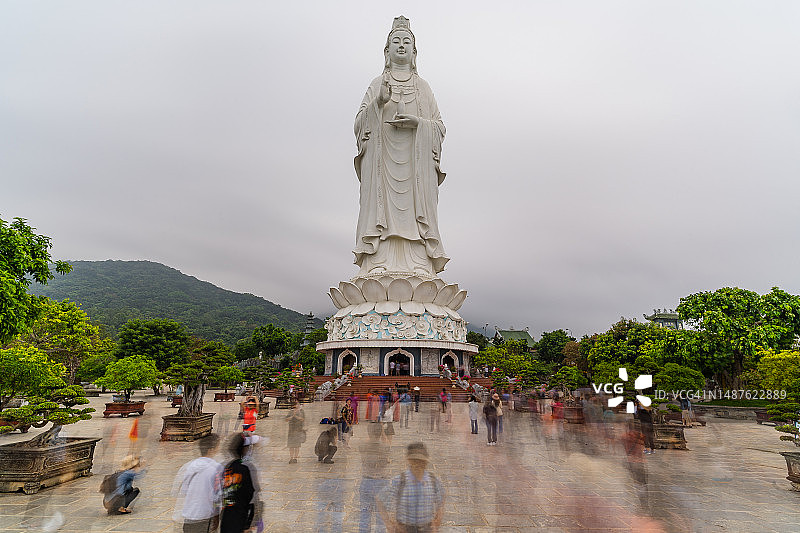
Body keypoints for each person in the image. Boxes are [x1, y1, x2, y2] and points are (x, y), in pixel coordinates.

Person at [353, 16, 449, 277]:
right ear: (387, 51)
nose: (402, 46)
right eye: (396, 41)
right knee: (380, 210)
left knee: (416, 214)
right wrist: (378, 104)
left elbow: (439, 127)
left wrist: (419, 123)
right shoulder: (377, 85)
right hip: (382, 167)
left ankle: (419, 261)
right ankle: (378, 261)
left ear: (415, 52)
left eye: (407, 42)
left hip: (415, 171)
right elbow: (359, 124)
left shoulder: (423, 87)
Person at [377, 443, 444, 533]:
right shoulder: (400, 480)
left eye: (421, 461)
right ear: (409, 460)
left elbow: (441, 499)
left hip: (426, 528)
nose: (418, 464)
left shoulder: (433, 481)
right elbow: (380, 499)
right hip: (404, 529)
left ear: (426, 461)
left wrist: (438, 520)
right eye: (414, 461)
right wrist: (389, 524)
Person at [173, 434, 223, 533]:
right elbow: (217, 496)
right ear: (211, 450)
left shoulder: (188, 466)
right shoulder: (216, 468)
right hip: (206, 516)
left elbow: (181, 491)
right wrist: (217, 517)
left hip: (189, 516)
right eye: (217, 447)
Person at [358, 422, 391, 533]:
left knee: (364, 514)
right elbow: (386, 442)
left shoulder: (363, 446)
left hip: (367, 481)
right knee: (381, 516)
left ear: (369, 432)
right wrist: (382, 433)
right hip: (381, 482)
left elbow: (365, 442)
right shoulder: (385, 446)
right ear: (380, 432)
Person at [220, 434, 256, 533]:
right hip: (240, 515)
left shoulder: (228, 467)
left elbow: (223, 493)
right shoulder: (245, 469)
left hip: (227, 516)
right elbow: (250, 494)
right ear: (244, 449)